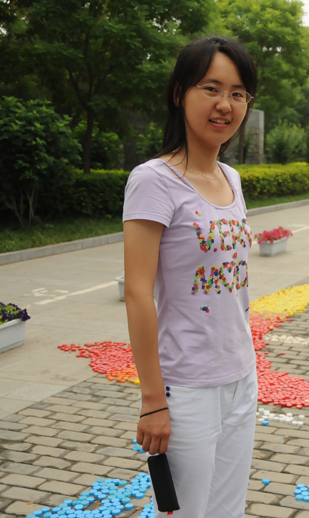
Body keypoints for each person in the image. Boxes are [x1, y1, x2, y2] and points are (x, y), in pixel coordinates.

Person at [122, 36, 258, 518]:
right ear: (180, 93)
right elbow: (137, 294)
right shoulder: (153, 180)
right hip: (186, 388)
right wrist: (153, 400)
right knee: (186, 513)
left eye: (238, 93)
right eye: (211, 88)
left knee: (228, 510)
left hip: (241, 376)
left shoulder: (231, 179)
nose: (225, 104)